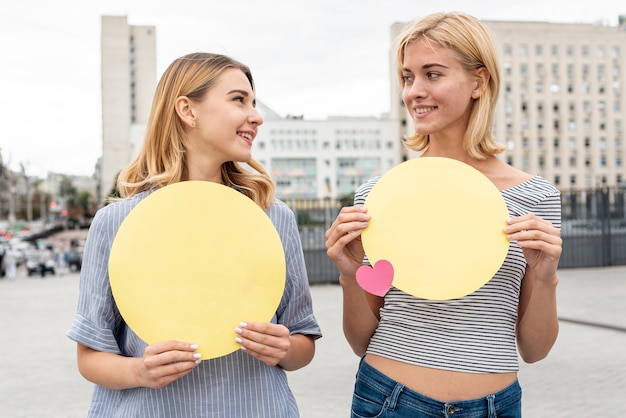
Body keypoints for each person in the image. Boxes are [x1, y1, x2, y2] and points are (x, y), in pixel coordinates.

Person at [325, 12, 562, 418]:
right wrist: (349, 274)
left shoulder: (535, 198)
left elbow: (535, 350)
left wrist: (546, 276)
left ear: (479, 81)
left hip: (495, 406)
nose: (415, 90)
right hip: (389, 400)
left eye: (432, 74)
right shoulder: (380, 195)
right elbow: (361, 340)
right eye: (407, 77)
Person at [67, 52, 321, 417]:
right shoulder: (117, 222)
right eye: (239, 100)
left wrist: (285, 349)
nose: (256, 116)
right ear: (188, 111)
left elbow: (303, 341)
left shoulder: (273, 218)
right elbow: (90, 355)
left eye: (254, 102)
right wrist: (140, 370)